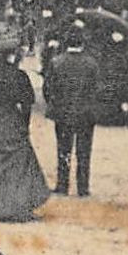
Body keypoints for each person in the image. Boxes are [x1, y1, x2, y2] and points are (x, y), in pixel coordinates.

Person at [0, 40, 50, 221]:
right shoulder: (19, 76)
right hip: (11, 119)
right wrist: (24, 124)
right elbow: (27, 103)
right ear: (12, 55)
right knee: (19, 163)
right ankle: (16, 205)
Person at [44, 31, 100, 196]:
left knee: (63, 150)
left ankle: (63, 185)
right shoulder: (91, 64)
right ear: (82, 44)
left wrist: (54, 105)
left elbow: (48, 88)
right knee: (84, 151)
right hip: (85, 114)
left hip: (63, 113)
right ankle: (83, 187)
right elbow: (96, 90)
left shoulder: (56, 62)